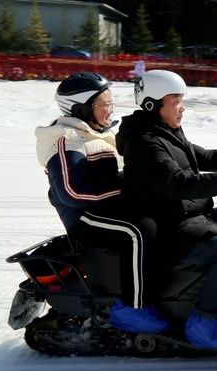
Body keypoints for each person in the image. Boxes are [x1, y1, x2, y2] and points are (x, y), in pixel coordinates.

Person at [116, 70, 217, 351]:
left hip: (187, 214)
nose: (182, 107)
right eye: (175, 101)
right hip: (169, 225)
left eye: (181, 100)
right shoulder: (145, 144)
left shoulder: (165, 132)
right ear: (153, 104)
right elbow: (178, 184)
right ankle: (204, 320)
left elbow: (206, 157)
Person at [35, 72, 170, 334]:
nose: (110, 109)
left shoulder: (95, 135)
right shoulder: (66, 140)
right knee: (137, 233)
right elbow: (71, 193)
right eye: (103, 105)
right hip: (85, 219)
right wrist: (126, 188)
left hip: (107, 210)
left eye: (111, 103)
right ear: (81, 109)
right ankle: (132, 308)